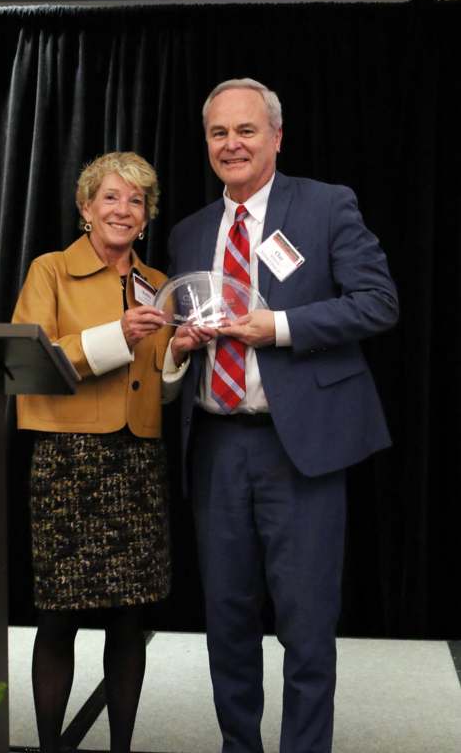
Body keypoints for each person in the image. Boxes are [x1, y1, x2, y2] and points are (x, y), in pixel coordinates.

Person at [165, 79, 399, 753]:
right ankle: (240, 746)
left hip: (301, 449)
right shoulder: (189, 233)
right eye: (218, 133)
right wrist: (178, 352)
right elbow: (181, 333)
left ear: (276, 137)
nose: (232, 144)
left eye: (246, 130)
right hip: (215, 446)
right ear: (207, 143)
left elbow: (377, 302)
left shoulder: (325, 207)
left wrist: (281, 326)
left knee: (305, 623)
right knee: (226, 621)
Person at [12, 151, 175, 753]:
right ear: (86, 209)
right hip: (67, 461)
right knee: (59, 616)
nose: (123, 209)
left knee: (131, 617)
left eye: (136, 200)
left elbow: (164, 382)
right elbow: (32, 362)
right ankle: (53, 746)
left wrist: (179, 349)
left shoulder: (160, 285)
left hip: (137, 462)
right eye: (110, 197)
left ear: (146, 216)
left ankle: (122, 747)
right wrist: (115, 336)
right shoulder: (49, 270)